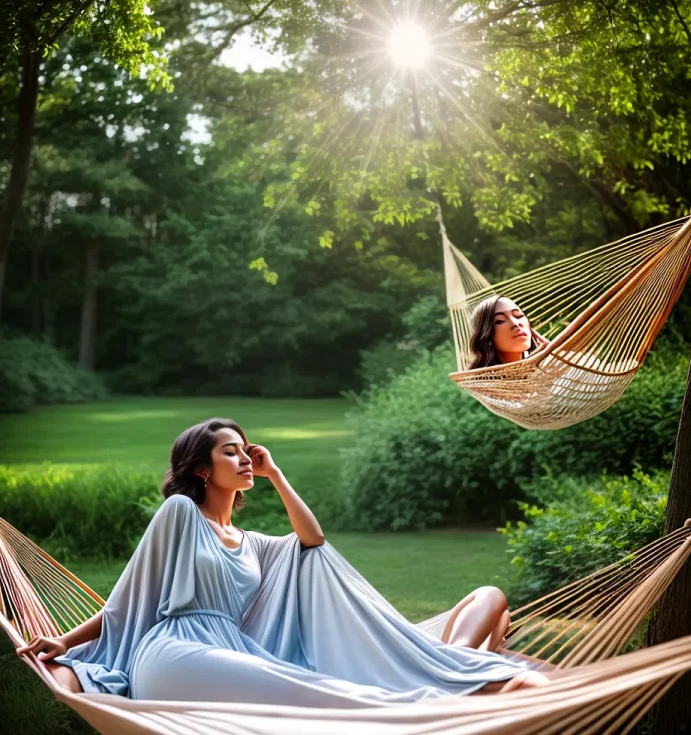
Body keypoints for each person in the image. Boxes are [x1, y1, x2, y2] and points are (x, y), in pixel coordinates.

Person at [17, 418, 549, 706]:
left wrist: (275, 474)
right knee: (314, 696)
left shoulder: (253, 543)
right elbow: (127, 602)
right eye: (230, 451)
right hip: (178, 652)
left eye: (246, 448)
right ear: (201, 470)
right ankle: (450, 706)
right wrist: (64, 642)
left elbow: (313, 541)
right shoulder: (180, 513)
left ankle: (446, 693)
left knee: (305, 686)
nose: (244, 457)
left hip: (237, 650)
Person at [468, 295, 548, 369]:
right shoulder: (482, 379)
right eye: (500, 321)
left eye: (518, 316)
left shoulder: (547, 369)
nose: (515, 323)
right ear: (487, 335)